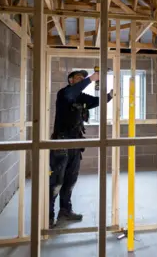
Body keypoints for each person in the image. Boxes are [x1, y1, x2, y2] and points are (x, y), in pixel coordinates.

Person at [49, 70, 113, 228]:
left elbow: (97, 101)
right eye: (78, 78)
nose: (81, 80)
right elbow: (72, 93)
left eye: (83, 78)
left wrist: (111, 95)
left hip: (76, 144)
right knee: (56, 181)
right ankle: (48, 216)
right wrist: (91, 78)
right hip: (61, 144)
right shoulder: (64, 94)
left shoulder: (81, 97)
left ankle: (65, 210)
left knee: (70, 180)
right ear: (70, 80)